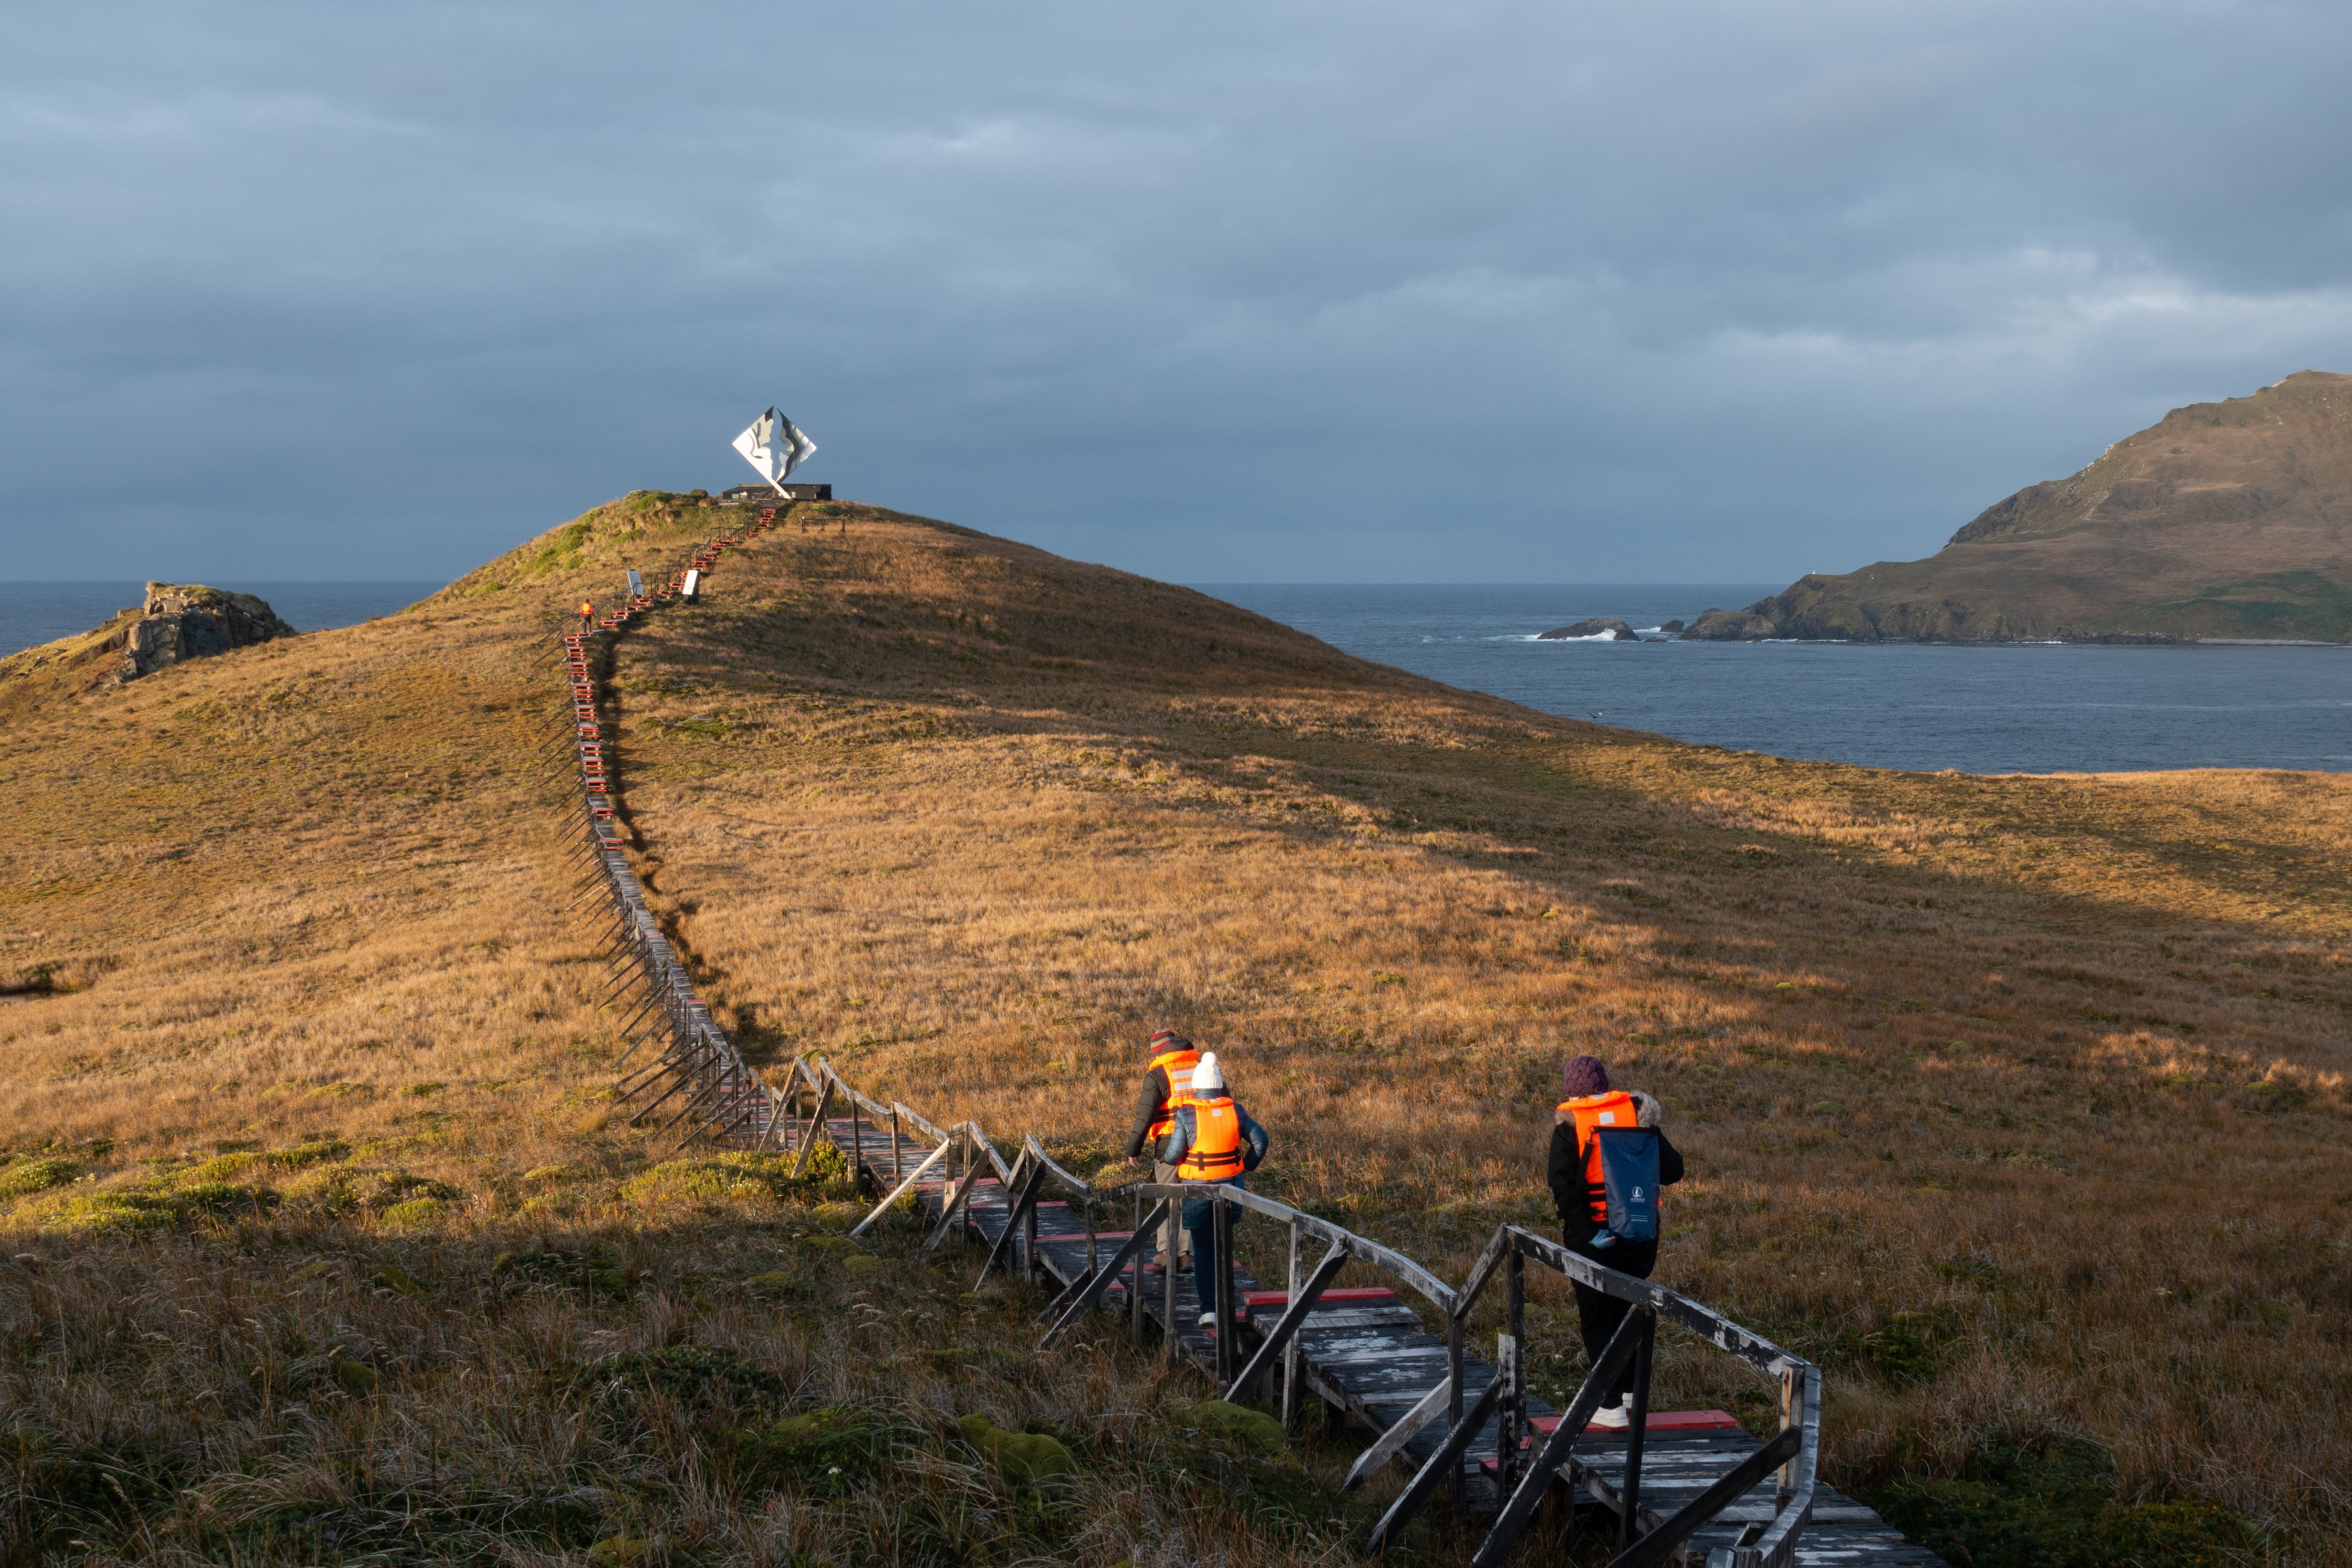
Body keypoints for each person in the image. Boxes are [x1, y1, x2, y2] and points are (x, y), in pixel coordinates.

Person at [1548, 1053, 1683, 1429]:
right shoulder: (1637, 1119)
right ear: (1606, 1087)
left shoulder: (1569, 1129)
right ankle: (1629, 1396)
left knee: (1597, 1321)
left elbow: (1562, 1190)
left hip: (1593, 1243)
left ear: (1571, 1093)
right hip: (1640, 1238)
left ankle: (1608, 1408)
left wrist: (1590, 1234)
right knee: (1626, 1314)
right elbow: (1674, 1171)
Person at [1157, 1052, 1268, 1328]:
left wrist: (1176, 1159)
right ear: (1219, 1084)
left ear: (1197, 1085)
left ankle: (1209, 1309)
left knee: (1205, 1249)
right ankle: (1226, 1305)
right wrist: (1246, 1165)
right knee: (1224, 1246)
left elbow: (1172, 1155)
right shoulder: (1235, 1110)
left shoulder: (1186, 1113)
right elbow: (1261, 1140)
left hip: (1197, 1191)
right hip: (1231, 1190)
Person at [1124, 1029, 1200, 1268]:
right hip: (1200, 1144)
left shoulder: (1158, 1074)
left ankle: (1167, 1252)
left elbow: (1144, 1117)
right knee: (1190, 1198)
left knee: (1166, 1197)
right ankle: (1186, 1254)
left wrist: (1133, 1149)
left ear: (1157, 1052)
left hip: (1168, 1147)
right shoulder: (1200, 1067)